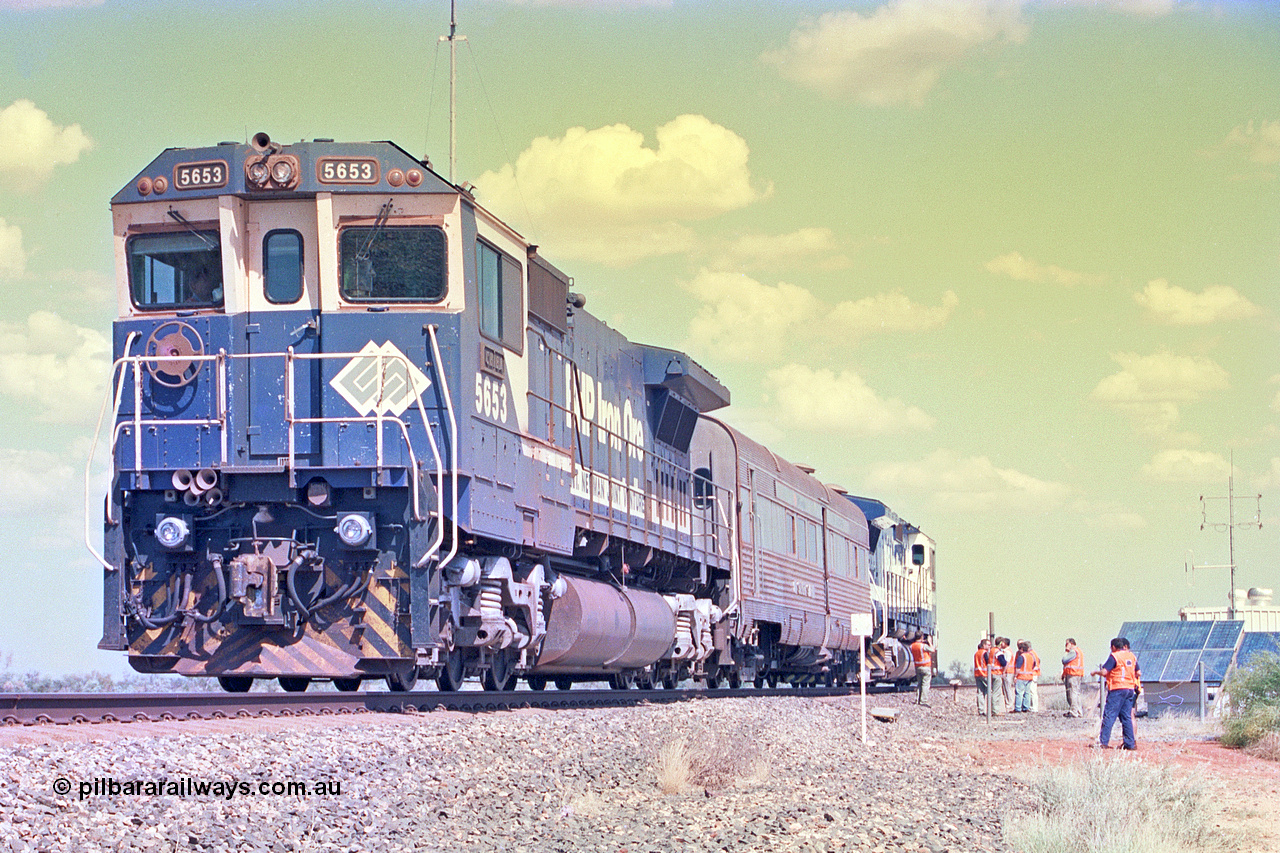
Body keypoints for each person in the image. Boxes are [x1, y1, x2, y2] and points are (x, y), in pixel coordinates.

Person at [1093, 637, 1141, 750]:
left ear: (1114, 647)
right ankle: (1130, 744)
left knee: (1109, 716)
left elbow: (1105, 671)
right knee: (1126, 717)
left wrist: (1095, 672)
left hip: (1117, 689)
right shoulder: (1131, 656)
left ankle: (1103, 742)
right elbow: (1138, 672)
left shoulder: (1114, 656)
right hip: (1129, 689)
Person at [1013, 640, 1040, 712]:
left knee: (1019, 693)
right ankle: (1026, 707)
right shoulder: (1031, 656)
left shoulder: (1021, 657)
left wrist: (1015, 676)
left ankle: (1018, 708)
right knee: (1027, 693)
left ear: (1022, 649)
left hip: (1021, 677)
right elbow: (1035, 665)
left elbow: (1018, 668)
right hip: (1029, 677)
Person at [1062, 638, 1086, 718]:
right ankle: (1079, 712)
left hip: (1073, 674)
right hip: (1077, 674)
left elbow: (1064, 660)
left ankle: (1074, 712)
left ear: (1071, 643)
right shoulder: (1079, 651)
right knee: (1076, 693)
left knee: (1072, 693)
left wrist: (1067, 650)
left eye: (1067, 644)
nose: (1065, 645)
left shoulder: (1073, 651)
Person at [910, 633, 936, 706]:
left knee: (919, 684)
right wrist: (930, 642)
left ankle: (917, 700)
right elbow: (933, 650)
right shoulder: (923, 646)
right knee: (925, 684)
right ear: (921, 637)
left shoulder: (912, 646)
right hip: (926, 667)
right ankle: (923, 701)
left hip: (917, 667)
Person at [973, 638, 993, 715]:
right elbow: (988, 663)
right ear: (984, 645)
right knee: (990, 691)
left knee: (980, 692)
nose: (990, 646)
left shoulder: (976, 653)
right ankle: (989, 709)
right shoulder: (985, 653)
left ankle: (981, 710)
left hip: (977, 674)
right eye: (988, 645)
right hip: (985, 674)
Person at [997, 638, 1014, 713]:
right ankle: (1008, 705)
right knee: (1006, 689)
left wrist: (1004, 671)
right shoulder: (1006, 651)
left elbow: (1007, 663)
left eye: (1002, 643)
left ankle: (1009, 706)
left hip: (1008, 672)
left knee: (1007, 689)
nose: (1001, 644)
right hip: (1007, 671)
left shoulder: (1007, 652)